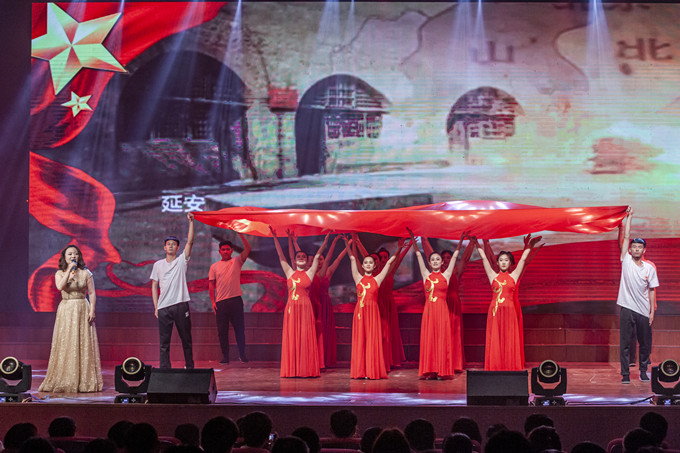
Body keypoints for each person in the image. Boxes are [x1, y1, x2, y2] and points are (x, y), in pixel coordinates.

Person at [39, 245, 103, 393]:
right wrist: (69, 270)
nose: (73, 256)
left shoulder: (86, 273)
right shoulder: (59, 273)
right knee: (66, 342)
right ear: (64, 257)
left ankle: (84, 381)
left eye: (75, 254)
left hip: (82, 307)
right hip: (66, 309)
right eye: (70, 254)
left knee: (83, 342)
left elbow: (92, 293)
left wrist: (92, 310)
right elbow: (60, 287)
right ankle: (65, 378)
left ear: (79, 256)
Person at [474, 235, 541, 371]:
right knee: (496, 338)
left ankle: (510, 366)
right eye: (501, 260)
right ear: (497, 263)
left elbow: (523, 260)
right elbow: (484, 259)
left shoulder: (514, 276)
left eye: (506, 260)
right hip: (495, 312)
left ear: (510, 263)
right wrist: (476, 243)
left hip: (510, 311)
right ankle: (495, 366)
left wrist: (530, 246)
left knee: (510, 338)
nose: (503, 262)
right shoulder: (493, 276)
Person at [271, 227, 329, 377]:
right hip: (292, 308)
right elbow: (281, 256)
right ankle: (292, 369)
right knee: (292, 337)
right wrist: (275, 238)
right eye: (299, 256)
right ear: (295, 260)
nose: (301, 258)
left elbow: (317, 256)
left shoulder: (310, 273)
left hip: (305, 309)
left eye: (303, 256)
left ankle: (306, 369)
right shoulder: (289, 272)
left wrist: (326, 240)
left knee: (305, 337)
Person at [410, 229, 465, 379]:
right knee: (430, 340)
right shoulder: (426, 275)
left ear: (441, 263)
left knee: (441, 339)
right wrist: (414, 241)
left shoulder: (446, 275)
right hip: (429, 312)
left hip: (442, 311)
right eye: (432, 260)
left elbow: (455, 257)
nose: (435, 261)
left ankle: (442, 370)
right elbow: (418, 255)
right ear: (429, 262)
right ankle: (430, 370)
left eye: (437, 259)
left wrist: (460, 241)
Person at [343, 235, 395, 379]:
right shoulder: (358, 278)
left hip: (373, 313)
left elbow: (389, 264)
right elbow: (352, 259)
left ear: (374, 266)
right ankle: (361, 370)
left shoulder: (377, 279)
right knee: (361, 340)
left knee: (372, 340)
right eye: (365, 262)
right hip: (360, 313)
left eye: (370, 262)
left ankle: (371, 370)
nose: (367, 264)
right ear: (363, 265)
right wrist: (347, 244)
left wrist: (398, 250)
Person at [617, 207, 659, 384]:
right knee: (625, 343)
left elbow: (652, 290)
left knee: (645, 344)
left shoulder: (649, 268)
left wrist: (651, 312)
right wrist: (629, 217)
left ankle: (643, 371)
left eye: (639, 247)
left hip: (643, 310)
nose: (635, 249)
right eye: (633, 247)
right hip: (627, 308)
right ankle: (625, 374)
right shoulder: (626, 260)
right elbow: (626, 237)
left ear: (644, 250)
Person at [422, 236, 475, 372]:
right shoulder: (435, 274)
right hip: (439, 305)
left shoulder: (455, 271)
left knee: (454, 333)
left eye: (448, 258)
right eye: (443, 257)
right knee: (438, 335)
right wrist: (423, 239)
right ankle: (437, 364)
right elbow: (428, 254)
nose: (446, 260)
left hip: (453, 305)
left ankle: (454, 363)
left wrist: (472, 243)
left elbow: (465, 259)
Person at [150, 213, 195, 369]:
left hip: (181, 305)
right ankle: (164, 369)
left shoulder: (182, 261)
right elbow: (154, 286)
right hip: (164, 307)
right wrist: (156, 306)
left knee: (186, 339)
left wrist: (191, 222)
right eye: (168, 244)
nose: (170, 246)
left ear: (177, 248)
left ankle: (189, 367)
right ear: (164, 247)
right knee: (164, 342)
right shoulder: (158, 265)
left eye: (173, 244)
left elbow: (190, 242)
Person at [209, 234, 251, 364]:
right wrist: (213, 301)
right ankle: (225, 356)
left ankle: (242, 354)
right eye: (223, 249)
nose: (226, 251)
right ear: (219, 251)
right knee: (222, 331)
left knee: (240, 329)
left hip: (236, 300)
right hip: (221, 303)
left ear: (232, 251)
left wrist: (241, 234)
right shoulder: (214, 266)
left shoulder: (237, 261)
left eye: (228, 249)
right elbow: (211, 285)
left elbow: (248, 249)